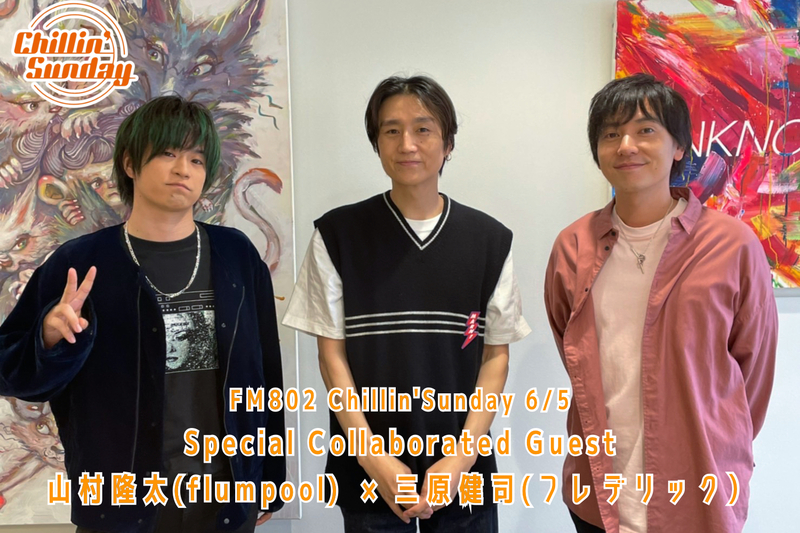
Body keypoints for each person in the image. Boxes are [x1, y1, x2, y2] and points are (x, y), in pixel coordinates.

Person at [0, 95, 285, 533]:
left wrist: (270, 478)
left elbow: (266, 372)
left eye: (196, 159)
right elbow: (10, 372)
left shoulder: (236, 256)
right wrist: (49, 339)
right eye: (168, 153)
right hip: (119, 504)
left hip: (225, 499)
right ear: (130, 164)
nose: (183, 169)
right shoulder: (79, 262)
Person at [283, 75, 530, 532]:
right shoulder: (338, 235)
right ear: (376, 143)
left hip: (464, 473)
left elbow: (495, 356)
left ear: (448, 142)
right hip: (366, 470)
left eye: (423, 129)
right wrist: (374, 460)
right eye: (391, 130)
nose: (407, 144)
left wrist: (460, 459)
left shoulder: (488, 241)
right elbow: (331, 356)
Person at [544, 73, 778, 533]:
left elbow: (754, 374)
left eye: (646, 130)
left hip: (698, 491)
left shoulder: (732, 244)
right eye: (611, 134)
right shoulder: (573, 245)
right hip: (598, 493)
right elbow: (572, 350)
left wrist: (715, 438)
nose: (626, 145)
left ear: (679, 147)